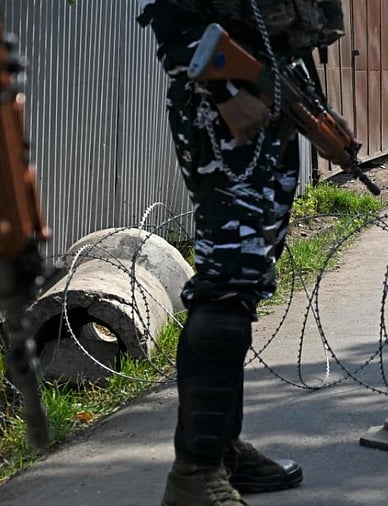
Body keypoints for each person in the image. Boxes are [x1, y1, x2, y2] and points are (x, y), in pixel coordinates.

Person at [137, 1, 345, 504]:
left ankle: (219, 450)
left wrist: (314, 111)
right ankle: (195, 472)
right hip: (221, 107)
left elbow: (284, 41)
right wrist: (225, 89)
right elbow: (170, 15)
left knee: (247, 276)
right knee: (231, 277)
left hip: (270, 99)